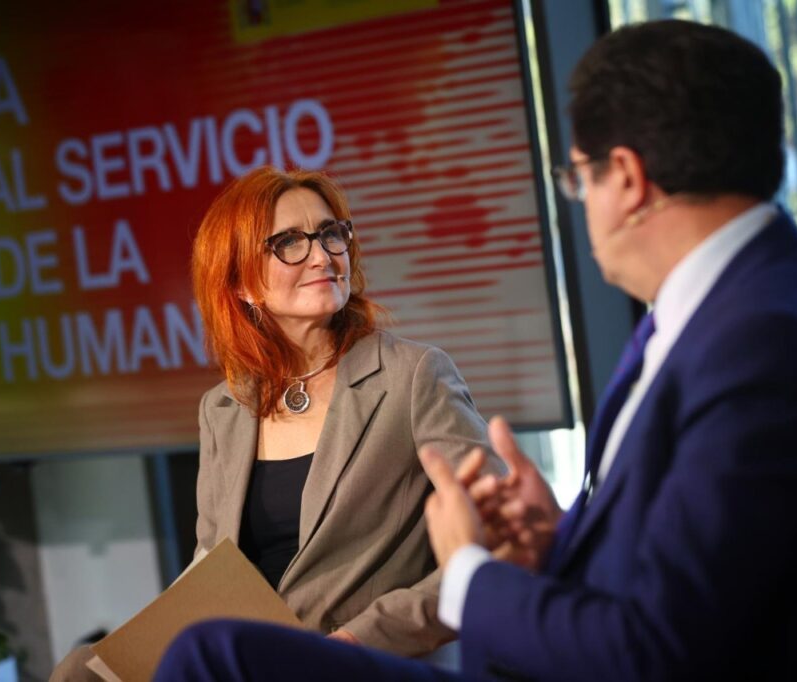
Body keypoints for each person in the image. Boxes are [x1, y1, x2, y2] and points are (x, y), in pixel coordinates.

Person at [153, 20, 797, 681]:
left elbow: (661, 645)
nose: (321, 255)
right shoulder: (754, 309)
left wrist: (471, 572)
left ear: (626, 179)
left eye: (577, 178)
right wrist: (557, 537)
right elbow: (698, 560)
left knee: (209, 656)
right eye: (289, 243)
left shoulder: (761, 345)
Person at [50, 167, 501, 680]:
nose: (322, 255)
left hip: (364, 659)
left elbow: (493, 542)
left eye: (331, 234)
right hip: (253, 656)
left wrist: (360, 637)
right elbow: (211, 564)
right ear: (242, 283)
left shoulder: (413, 375)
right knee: (79, 672)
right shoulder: (221, 408)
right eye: (289, 242)